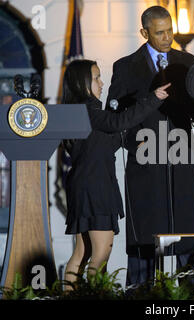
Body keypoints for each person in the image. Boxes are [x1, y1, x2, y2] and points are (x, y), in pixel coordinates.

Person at [106, 5, 194, 289]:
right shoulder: (125, 67)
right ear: (144, 33)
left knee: (185, 226)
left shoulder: (188, 61)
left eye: (170, 31)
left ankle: (190, 293)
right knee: (146, 231)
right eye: (159, 33)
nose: (167, 37)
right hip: (145, 162)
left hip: (181, 158)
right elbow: (116, 113)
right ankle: (140, 292)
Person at [62, 59, 171, 290]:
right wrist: (153, 99)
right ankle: (95, 296)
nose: (101, 83)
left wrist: (133, 142)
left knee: (83, 253)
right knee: (101, 252)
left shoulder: (81, 113)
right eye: (96, 78)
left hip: (87, 186)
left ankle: (71, 296)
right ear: (81, 83)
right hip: (96, 188)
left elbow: (104, 143)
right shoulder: (88, 111)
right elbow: (119, 122)